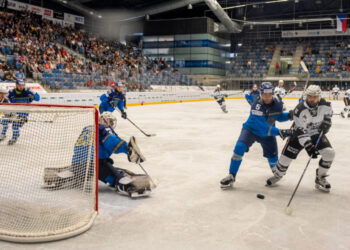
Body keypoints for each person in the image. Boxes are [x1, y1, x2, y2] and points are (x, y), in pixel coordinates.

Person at [43, 112, 151, 197]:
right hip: (95, 164)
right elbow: (112, 142)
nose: (112, 125)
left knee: (85, 167)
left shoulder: (87, 128)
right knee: (117, 174)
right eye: (111, 122)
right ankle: (131, 185)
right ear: (105, 120)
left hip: (77, 164)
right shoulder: (104, 128)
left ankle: (54, 175)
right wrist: (127, 149)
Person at [220, 82, 293, 188]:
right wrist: (280, 132)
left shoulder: (278, 104)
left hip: (268, 134)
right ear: (261, 93)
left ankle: (276, 173)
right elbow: (262, 126)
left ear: (272, 93)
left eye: (269, 94)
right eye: (264, 94)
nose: (267, 97)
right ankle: (232, 175)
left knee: (273, 158)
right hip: (251, 130)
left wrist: (290, 115)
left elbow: (279, 117)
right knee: (239, 148)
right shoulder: (256, 104)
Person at [266, 85, 334, 192]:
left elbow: (328, 117)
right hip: (298, 135)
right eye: (309, 96)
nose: (311, 99)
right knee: (284, 160)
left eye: (315, 97)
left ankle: (320, 178)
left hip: (316, 133)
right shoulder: (300, 109)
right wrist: (308, 146)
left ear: (319, 96)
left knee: (330, 153)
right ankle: (278, 174)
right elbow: (300, 132)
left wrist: (327, 124)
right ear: (306, 96)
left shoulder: (326, 105)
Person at [0, 79, 40, 145]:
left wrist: (33, 97)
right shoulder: (11, 92)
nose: (21, 87)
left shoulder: (28, 91)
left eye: (22, 85)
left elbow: (38, 98)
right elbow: (4, 99)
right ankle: (2, 135)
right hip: (12, 111)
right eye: (19, 85)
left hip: (23, 113)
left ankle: (14, 138)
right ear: (16, 85)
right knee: (4, 121)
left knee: (15, 126)